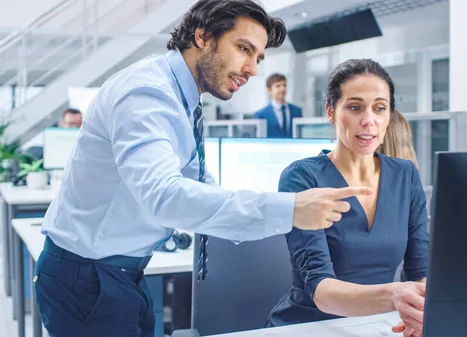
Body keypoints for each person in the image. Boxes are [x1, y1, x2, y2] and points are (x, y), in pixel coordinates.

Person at [33, 1, 372, 336]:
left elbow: (199, 184)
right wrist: (290, 209)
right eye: (244, 49)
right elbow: (164, 195)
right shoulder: (146, 93)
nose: (253, 69)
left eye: (258, 57)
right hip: (87, 276)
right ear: (202, 36)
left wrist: (283, 221)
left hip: (118, 271)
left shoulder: (182, 97)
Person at [265, 59, 429, 337]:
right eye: (354, 107)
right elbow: (320, 289)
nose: (369, 120)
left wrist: (421, 312)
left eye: (380, 108)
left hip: (380, 326)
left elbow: (421, 270)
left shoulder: (405, 175)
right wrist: (395, 296)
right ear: (331, 111)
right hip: (309, 326)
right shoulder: (302, 177)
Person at [253, 73, 302, 138]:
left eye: (284, 85)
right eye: (278, 86)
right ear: (269, 90)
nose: (282, 89)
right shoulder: (260, 115)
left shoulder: (297, 111)